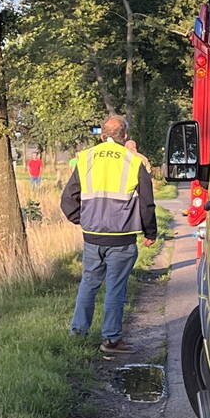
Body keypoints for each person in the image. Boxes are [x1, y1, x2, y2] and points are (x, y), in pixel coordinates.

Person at [61, 115, 158, 354]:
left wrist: (81, 219)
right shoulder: (133, 161)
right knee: (116, 287)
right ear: (124, 136)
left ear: (102, 135)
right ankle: (111, 339)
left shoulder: (85, 158)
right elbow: (147, 202)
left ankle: (78, 332)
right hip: (122, 237)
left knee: (88, 284)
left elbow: (67, 199)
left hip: (92, 235)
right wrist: (150, 231)